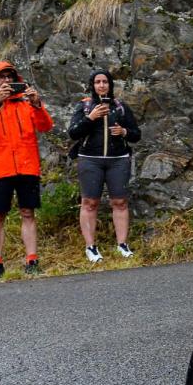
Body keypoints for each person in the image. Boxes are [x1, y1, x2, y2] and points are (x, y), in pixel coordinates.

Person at [0, 61, 55, 278]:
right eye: (1, 77)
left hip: (27, 166)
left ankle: (32, 260)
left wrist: (37, 105)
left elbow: (45, 126)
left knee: (28, 213)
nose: (7, 80)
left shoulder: (27, 105)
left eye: (10, 76)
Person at [67, 69, 141, 263]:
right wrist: (91, 118)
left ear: (110, 85)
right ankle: (90, 247)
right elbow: (73, 133)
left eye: (105, 82)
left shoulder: (120, 106)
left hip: (118, 159)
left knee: (120, 202)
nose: (101, 85)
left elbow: (136, 134)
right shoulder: (84, 106)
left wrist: (124, 131)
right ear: (92, 85)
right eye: (97, 82)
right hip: (90, 159)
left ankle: (122, 244)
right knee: (90, 203)